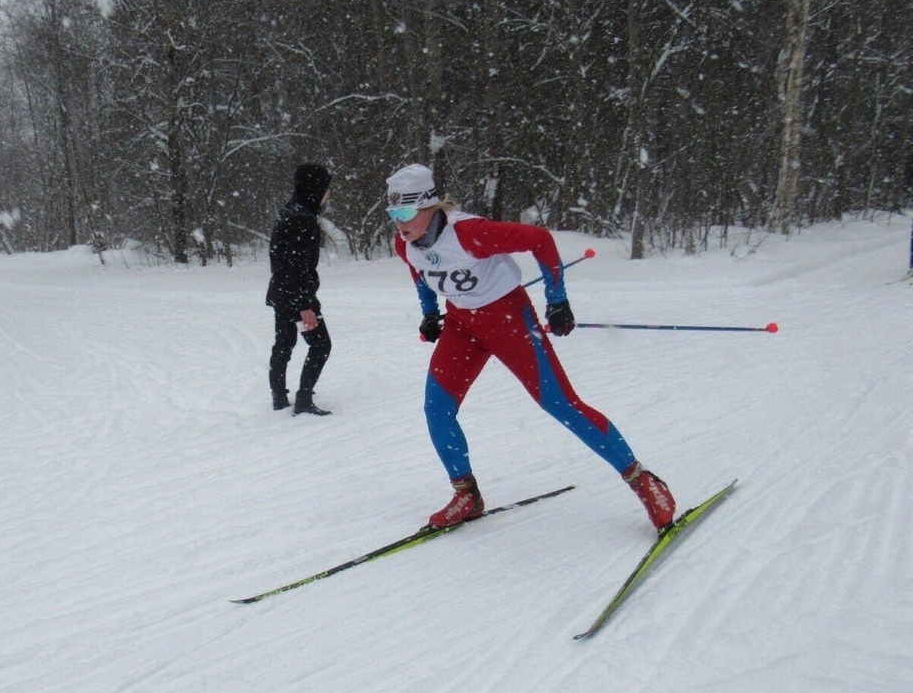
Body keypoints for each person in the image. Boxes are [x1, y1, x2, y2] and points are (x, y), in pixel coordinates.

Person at [383, 163, 676, 531]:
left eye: (406, 212)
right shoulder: (404, 241)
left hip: (508, 319)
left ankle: (643, 481)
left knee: (561, 404)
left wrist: (557, 301)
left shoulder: (471, 233)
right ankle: (466, 494)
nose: (399, 223)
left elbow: (540, 239)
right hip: (462, 325)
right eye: (393, 213)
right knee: (436, 409)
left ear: (431, 206)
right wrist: (429, 313)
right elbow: (420, 270)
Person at [266, 163, 333, 415]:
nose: (328, 194)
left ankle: (279, 399)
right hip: (297, 295)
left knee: (284, 343)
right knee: (321, 345)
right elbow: (296, 265)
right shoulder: (303, 218)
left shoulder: (290, 211)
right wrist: (305, 305)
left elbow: (283, 262)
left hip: (282, 292)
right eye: (326, 188)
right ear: (316, 188)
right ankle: (303, 400)